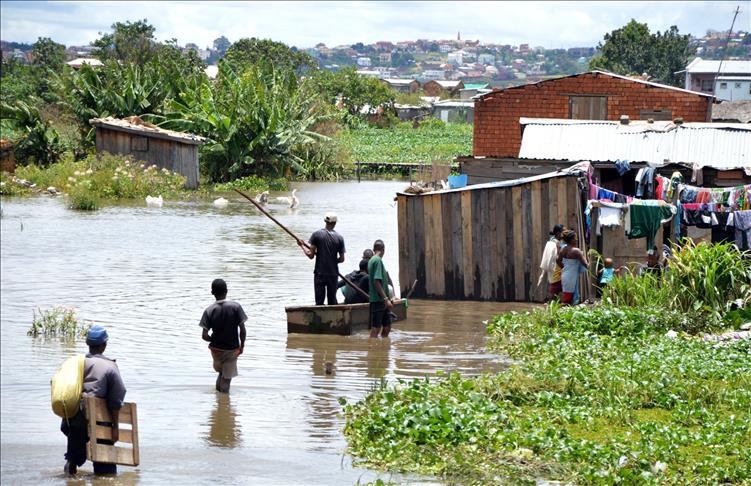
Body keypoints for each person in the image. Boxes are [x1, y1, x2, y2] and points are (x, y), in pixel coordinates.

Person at [61, 325, 127, 476]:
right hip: (99, 423)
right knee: (106, 472)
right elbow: (117, 398)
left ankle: (71, 467)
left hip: (74, 421)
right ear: (104, 345)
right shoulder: (110, 366)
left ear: (88, 345)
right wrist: (115, 428)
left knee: (72, 462)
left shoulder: (77, 363)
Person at [200, 278, 247, 394]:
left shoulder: (209, 310)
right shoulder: (236, 307)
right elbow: (243, 330)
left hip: (215, 351)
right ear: (226, 291)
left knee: (222, 373)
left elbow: (204, 335)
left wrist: (215, 338)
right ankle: (223, 405)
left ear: (212, 293)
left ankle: (217, 401)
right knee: (226, 380)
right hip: (231, 350)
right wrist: (242, 346)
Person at [299, 212, 346, 305]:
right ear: (335, 223)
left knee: (319, 302)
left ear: (325, 221)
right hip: (333, 274)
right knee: (332, 301)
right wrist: (332, 260)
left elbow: (310, 255)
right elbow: (342, 259)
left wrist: (301, 246)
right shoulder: (340, 238)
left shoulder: (316, 235)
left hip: (320, 273)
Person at [368, 239, 394, 338]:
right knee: (376, 328)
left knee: (387, 327)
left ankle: (382, 348)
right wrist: (385, 299)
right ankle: (372, 348)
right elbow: (376, 281)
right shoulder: (378, 261)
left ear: (373, 249)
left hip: (381, 300)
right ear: (383, 249)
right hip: (378, 300)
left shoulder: (371, 260)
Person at [556, 230, 588, 306]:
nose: (576, 240)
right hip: (572, 277)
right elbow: (586, 265)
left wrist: (565, 267)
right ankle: (561, 315)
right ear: (571, 240)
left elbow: (557, 260)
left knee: (567, 296)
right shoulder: (576, 251)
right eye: (575, 238)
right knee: (567, 300)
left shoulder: (563, 249)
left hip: (565, 274)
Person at [538, 224, 564, 301]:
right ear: (558, 233)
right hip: (557, 269)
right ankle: (552, 304)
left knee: (553, 286)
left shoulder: (550, 241)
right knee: (556, 289)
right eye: (563, 232)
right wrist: (564, 267)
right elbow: (557, 258)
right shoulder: (557, 244)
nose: (563, 234)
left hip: (552, 269)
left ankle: (551, 303)